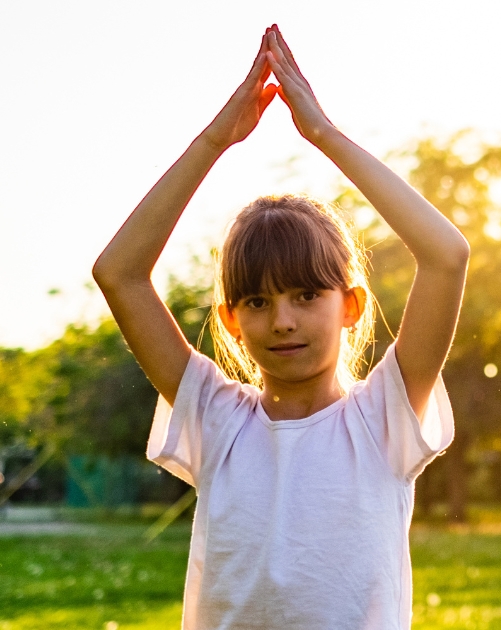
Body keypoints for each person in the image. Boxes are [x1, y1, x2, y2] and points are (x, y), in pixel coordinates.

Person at [91, 26, 469, 629]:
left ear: (350, 305)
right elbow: (119, 273)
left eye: (306, 294)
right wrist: (216, 140)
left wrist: (324, 134)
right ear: (231, 321)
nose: (283, 320)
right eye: (258, 301)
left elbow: (446, 255)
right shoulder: (217, 420)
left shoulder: (381, 419)